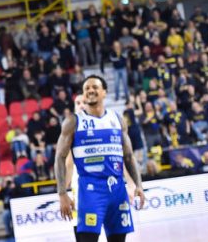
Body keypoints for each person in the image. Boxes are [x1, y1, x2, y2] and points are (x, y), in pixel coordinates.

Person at [54, 76, 146, 242]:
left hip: (117, 190)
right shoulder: (73, 122)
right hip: (90, 190)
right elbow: (60, 158)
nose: (90, 90)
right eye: (86, 88)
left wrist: (138, 184)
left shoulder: (117, 120)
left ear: (104, 92)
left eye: (94, 87)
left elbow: (128, 156)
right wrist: (62, 193)